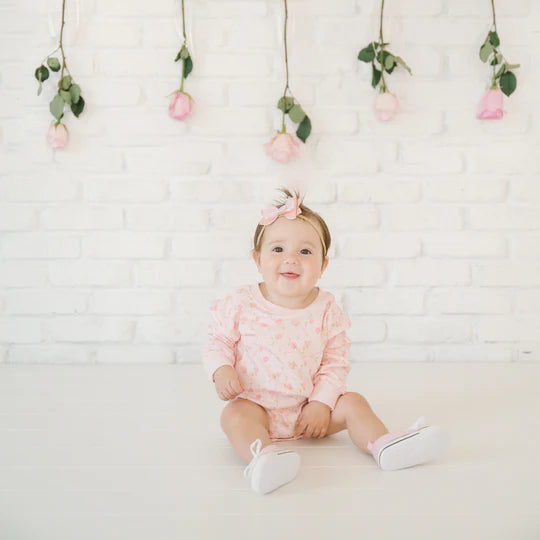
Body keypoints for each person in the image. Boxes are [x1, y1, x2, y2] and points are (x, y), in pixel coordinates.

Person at [202, 189, 449, 495]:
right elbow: (218, 340)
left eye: (305, 252)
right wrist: (222, 369)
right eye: (277, 249)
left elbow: (335, 361)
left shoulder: (327, 309)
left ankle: (385, 445)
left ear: (323, 265)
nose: (291, 258)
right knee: (233, 415)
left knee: (354, 402)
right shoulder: (241, 302)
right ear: (257, 259)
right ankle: (264, 456)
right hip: (257, 407)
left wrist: (321, 403)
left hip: (311, 412)